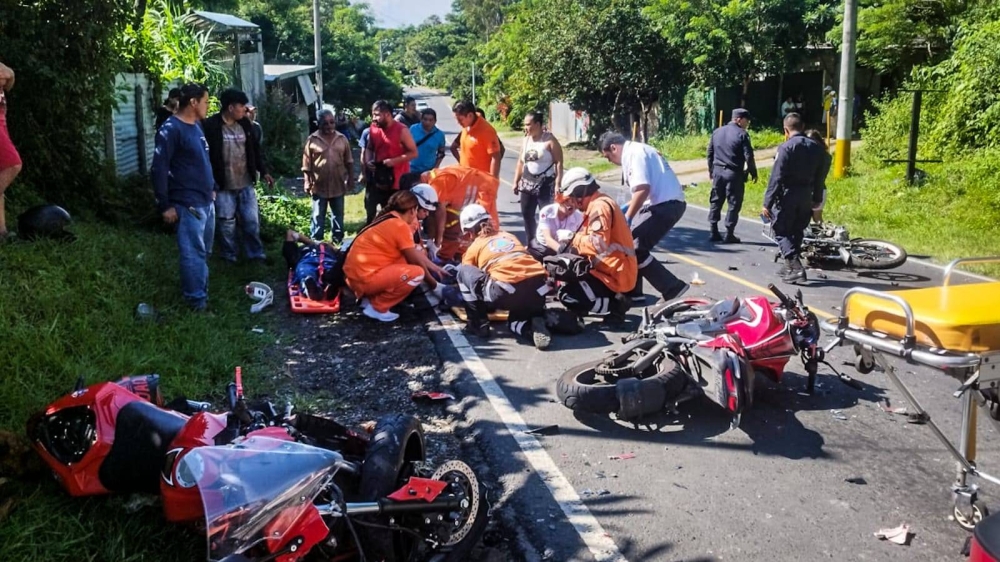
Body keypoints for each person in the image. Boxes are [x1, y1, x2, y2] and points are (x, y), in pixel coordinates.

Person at [599, 132, 689, 304]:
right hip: (664, 203)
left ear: (613, 148)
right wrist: (623, 210)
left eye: (608, 157)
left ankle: (672, 287)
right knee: (628, 242)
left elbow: (642, 189)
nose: (610, 162)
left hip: (664, 205)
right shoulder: (639, 149)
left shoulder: (633, 154)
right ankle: (633, 291)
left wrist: (628, 217)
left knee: (634, 247)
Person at [151, 83, 216, 310]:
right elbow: (159, 169)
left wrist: (213, 187)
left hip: (206, 200)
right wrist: (165, 205)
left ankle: (201, 293)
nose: (209, 106)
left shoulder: (196, 127)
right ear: (193, 102)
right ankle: (196, 303)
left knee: (203, 252)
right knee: (193, 253)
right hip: (188, 204)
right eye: (206, 101)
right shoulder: (171, 129)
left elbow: (202, 161)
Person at [455, 204, 552, 349]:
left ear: (469, 232)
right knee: (514, 323)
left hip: (506, 291)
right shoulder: (509, 236)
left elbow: (470, 273)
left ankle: (478, 323)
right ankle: (531, 326)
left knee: (462, 272)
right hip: (538, 289)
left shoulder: (475, 246)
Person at [343, 190, 448, 322]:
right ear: (412, 210)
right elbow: (414, 259)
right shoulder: (400, 225)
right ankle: (378, 306)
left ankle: (369, 299)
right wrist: (435, 285)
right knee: (416, 273)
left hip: (357, 275)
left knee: (413, 257)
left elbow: (414, 253)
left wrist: (436, 268)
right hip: (364, 278)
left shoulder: (389, 218)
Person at [551, 167, 637, 326]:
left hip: (615, 274)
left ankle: (617, 305)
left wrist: (572, 237)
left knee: (567, 295)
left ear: (580, 192)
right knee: (566, 271)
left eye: (572, 198)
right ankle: (601, 301)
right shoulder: (598, 204)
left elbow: (598, 244)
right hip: (610, 270)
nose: (573, 204)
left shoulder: (600, 207)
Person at [203, 88, 273, 263]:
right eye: (242, 106)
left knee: (251, 221)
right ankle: (229, 256)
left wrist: (263, 171)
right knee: (226, 222)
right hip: (223, 185)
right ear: (231, 107)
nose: (245, 110)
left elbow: (255, 151)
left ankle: (256, 254)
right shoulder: (211, 126)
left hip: (246, 182)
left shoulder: (245, 125)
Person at [762, 113, 827, 284]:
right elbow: (820, 177)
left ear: (785, 129)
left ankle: (795, 265)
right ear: (803, 127)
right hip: (806, 194)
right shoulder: (817, 148)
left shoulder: (786, 148)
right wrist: (817, 198)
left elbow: (776, 177)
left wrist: (767, 203)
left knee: (781, 230)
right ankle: (789, 265)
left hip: (787, 195)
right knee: (797, 230)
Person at [419, 165, 500, 260]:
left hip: (484, 189)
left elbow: (440, 213)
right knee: (455, 224)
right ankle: (457, 254)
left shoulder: (436, 183)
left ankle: (484, 256)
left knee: (484, 228)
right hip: (477, 187)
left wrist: (437, 242)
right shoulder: (435, 177)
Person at [303, 109, 354, 244]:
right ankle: (316, 241)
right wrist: (307, 182)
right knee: (318, 214)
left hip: (338, 183)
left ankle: (337, 239)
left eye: (332, 122)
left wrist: (350, 179)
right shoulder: (312, 140)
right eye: (325, 123)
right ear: (319, 124)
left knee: (338, 214)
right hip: (319, 185)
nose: (329, 126)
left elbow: (349, 161)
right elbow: (306, 164)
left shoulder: (342, 139)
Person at [707, 108, 758, 243]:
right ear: (739, 120)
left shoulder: (717, 132)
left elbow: (710, 153)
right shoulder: (742, 134)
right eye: (747, 121)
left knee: (716, 201)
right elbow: (749, 156)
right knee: (734, 203)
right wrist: (753, 172)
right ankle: (729, 233)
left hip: (718, 172)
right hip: (733, 173)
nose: (747, 124)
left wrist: (711, 170)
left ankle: (713, 231)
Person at [513, 111, 563, 244]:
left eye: (529, 124)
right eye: (525, 125)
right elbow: (520, 162)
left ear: (538, 124)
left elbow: (558, 162)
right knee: (526, 214)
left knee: (546, 216)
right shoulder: (526, 140)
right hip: (527, 182)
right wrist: (515, 181)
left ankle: (547, 243)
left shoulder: (549, 140)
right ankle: (531, 243)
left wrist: (558, 183)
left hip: (545, 184)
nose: (526, 128)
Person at [364, 99, 417, 224]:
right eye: (373, 114)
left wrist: (394, 161)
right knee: (370, 209)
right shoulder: (373, 128)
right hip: (377, 176)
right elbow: (370, 147)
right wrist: (368, 161)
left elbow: (414, 153)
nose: (374, 118)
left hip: (397, 180)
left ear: (387, 114)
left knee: (393, 214)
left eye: (377, 115)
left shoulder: (402, 130)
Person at [451, 101, 502, 178]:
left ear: (470, 115)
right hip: (466, 177)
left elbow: (496, 157)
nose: (458, 123)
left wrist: (492, 181)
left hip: (481, 180)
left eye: (460, 119)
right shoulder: (466, 126)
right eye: (456, 119)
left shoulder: (486, 130)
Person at [0, 61, 22, 239]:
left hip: (2, 119)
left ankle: (1, 231)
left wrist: (11, 74)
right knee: (13, 164)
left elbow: (9, 83)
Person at [529, 194, 583, 262]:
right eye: (566, 202)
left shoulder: (579, 216)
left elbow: (580, 238)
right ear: (560, 201)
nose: (571, 206)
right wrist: (565, 253)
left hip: (564, 248)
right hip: (543, 248)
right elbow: (548, 239)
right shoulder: (547, 211)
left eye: (574, 204)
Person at [804, 129, 832, 223]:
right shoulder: (826, 155)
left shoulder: (816, 157)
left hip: (811, 190)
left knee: (812, 218)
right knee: (817, 218)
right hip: (820, 189)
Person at [409, 108, 446, 175]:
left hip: (429, 171)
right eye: (425, 119)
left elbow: (441, 153)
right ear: (421, 119)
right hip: (412, 169)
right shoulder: (413, 129)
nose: (427, 122)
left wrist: (435, 168)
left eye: (430, 120)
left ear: (435, 121)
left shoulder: (440, 135)